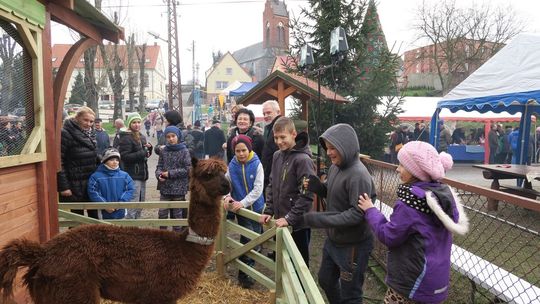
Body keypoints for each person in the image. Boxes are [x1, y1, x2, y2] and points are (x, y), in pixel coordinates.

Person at [358, 141, 469, 304]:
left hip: (412, 283)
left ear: (415, 171)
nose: (397, 169)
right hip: (436, 281)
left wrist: (370, 210)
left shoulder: (410, 204)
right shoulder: (439, 196)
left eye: (402, 165)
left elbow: (389, 235)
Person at [302, 123, 375, 304]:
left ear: (347, 147)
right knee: (326, 280)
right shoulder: (336, 167)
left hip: (353, 246)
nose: (328, 152)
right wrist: (317, 186)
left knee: (351, 294)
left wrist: (320, 219)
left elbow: (357, 214)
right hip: (334, 240)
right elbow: (331, 191)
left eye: (333, 148)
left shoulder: (358, 175)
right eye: (327, 148)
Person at [259, 116, 315, 266]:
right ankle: (283, 290)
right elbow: (271, 184)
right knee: (282, 260)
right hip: (280, 220)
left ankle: (302, 290)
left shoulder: (303, 160)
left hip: (298, 224)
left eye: (282, 137)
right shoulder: (277, 156)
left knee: (298, 264)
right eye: (276, 138)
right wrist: (268, 210)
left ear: (293, 134)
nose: (278, 142)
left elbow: (306, 194)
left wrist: (290, 218)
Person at [223, 135, 264, 288]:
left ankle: (249, 266)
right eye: (237, 151)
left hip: (257, 208)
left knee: (257, 238)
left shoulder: (256, 164)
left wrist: (243, 202)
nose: (240, 154)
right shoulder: (232, 165)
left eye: (243, 150)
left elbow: (258, 189)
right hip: (242, 211)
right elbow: (226, 184)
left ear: (249, 149)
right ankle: (245, 273)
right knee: (248, 239)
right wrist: (227, 196)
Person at [57, 106, 99, 219]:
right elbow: (59, 161)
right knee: (76, 220)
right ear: (77, 118)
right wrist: (64, 187)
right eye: (85, 120)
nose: (89, 124)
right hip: (74, 184)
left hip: (90, 183)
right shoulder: (65, 133)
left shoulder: (91, 133)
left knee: (94, 217)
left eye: (91, 121)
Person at [155, 125, 191, 232]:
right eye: (168, 137)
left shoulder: (184, 151)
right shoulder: (163, 151)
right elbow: (159, 166)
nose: (171, 139)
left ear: (178, 136)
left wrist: (170, 173)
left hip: (179, 187)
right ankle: (162, 234)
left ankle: (177, 236)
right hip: (165, 187)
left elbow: (188, 169)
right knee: (162, 212)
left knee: (177, 214)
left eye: (173, 136)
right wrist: (159, 175)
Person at [118, 112, 153, 219]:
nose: (137, 125)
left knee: (141, 202)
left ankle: (137, 225)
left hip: (142, 174)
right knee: (133, 202)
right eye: (134, 122)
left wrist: (149, 149)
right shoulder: (126, 138)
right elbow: (124, 156)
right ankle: (130, 227)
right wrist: (143, 152)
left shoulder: (141, 136)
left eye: (138, 122)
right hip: (132, 175)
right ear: (129, 124)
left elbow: (145, 156)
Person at [87, 148, 135, 219]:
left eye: (117, 160)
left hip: (120, 210)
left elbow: (130, 189)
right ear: (105, 161)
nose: (115, 162)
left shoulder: (124, 176)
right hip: (103, 212)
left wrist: (121, 202)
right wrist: (105, 205)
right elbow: (93, 192)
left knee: (120, 228)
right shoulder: (96, 176)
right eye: (111, 160)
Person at [261, 100, 282, 191]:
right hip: (269, 174)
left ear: (278, 112)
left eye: (268, 112)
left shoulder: (281, 126)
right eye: (264, 113)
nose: (265, 116)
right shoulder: (269, 128)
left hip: (277, 175)